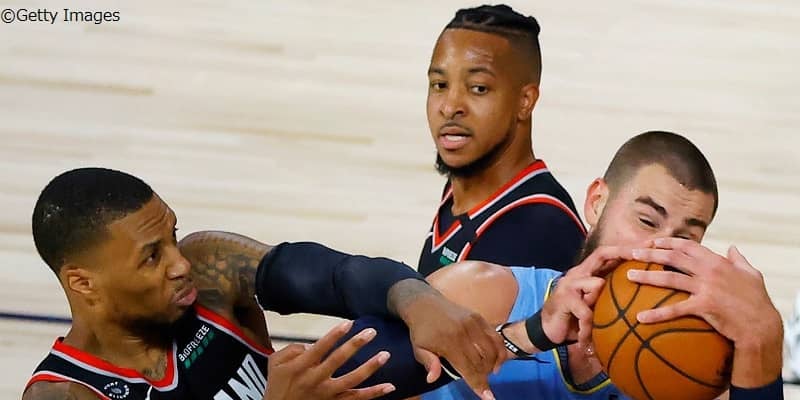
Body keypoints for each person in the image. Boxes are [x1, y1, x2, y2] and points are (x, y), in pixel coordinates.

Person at [292, 131, 782, 399]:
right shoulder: (482, 291)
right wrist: (524, 336)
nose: (659, 249)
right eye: (646, 220)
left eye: (686, 238)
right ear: (597, 203)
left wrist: (761, 341)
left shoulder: (690, 369)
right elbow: (324, 384)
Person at [21, 167, 505, 400]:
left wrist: (417, 300)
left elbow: (337, 276)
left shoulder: (208, 267)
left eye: (172, 236)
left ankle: (535, 337)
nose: (180, 263)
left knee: (448, 306)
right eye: (153, 256)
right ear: (83, 283)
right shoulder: (65, 396)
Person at [418, 4, 585, 276]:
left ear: (525, 101)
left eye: (478, 88)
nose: (449, 107)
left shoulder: (538, 233)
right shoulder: (465, 185)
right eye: (440, 85)